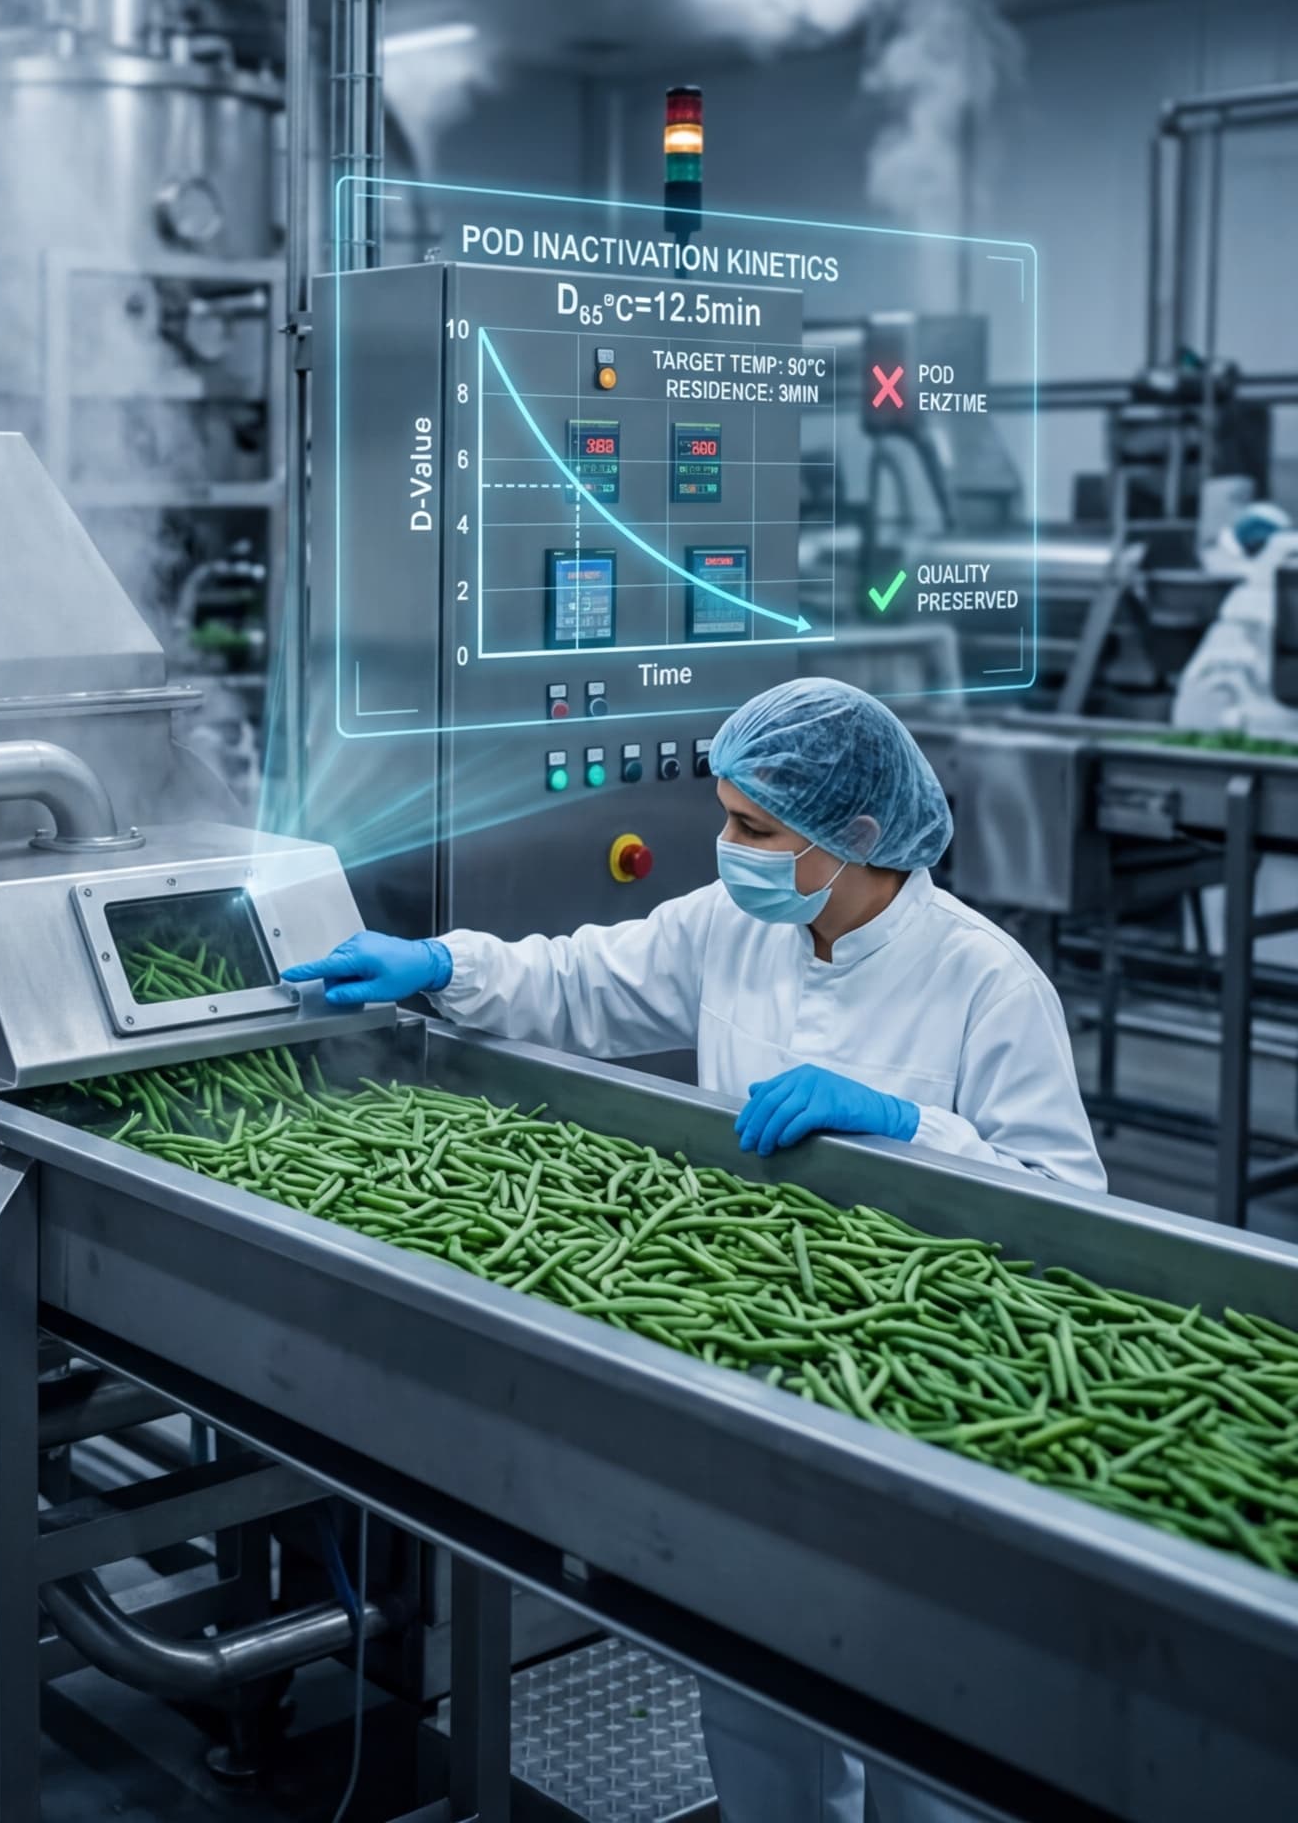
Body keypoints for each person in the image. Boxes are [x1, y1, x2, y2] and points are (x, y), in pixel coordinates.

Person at [282, 676, 1102, 1823]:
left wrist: (914, 1129)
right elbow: (577, 983)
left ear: (854, 835)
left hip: (921, 1394)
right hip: (752, 1360)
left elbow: (1067, 1212)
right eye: (724, 816)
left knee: (921, 1721)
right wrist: (439, 964)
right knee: (756, 1683)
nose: (726, 847)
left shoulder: (985, 983)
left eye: (752, 828)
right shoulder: (734, 929)